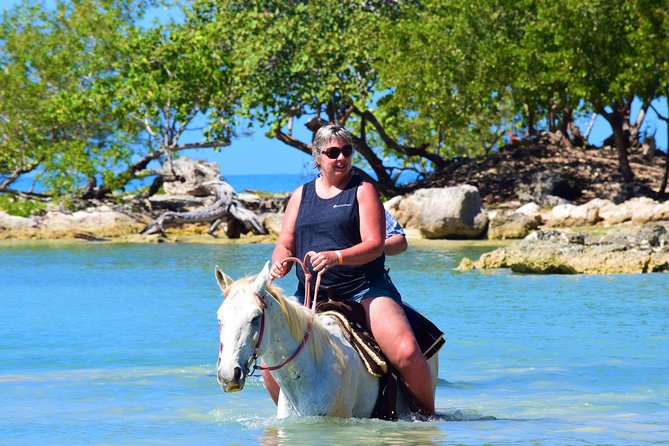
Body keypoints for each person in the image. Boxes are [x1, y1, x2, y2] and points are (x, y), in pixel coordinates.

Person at [267, 124, 435, 415]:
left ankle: (429, 416)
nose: (341, 158)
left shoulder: (363, 190)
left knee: (406, 352)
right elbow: (285, 242)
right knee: (270, 358)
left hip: (364, 289)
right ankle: (294, 417)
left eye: (346, 151)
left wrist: (337, 257)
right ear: (317, 157)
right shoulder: (299, 196)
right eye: (332, 152)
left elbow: (374, 244)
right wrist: (279, 263)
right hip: (309, 294)